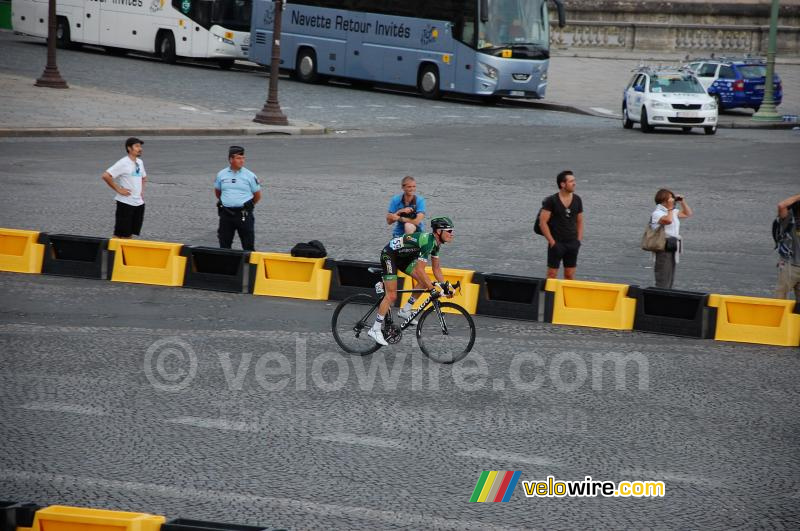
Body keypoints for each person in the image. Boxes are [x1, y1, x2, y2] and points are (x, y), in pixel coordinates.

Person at [369, 217, 456, 346]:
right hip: (390, 255)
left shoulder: (436, 244)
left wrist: (445, 286)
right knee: (392, 295)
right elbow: (420, 270)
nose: (451, 233)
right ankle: (375, 329)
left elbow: (436, 269)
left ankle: (406, 310)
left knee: (423, 281)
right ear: (438, 232)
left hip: (404, 258)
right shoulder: (428, 242)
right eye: (449, 231)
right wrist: (432, 289)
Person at [214, 146, 262, 251]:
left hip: (243, 214)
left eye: (243, 158)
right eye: (238, 158)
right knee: (224, 244)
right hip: (226, 214)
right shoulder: (221, 174)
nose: (242, 161)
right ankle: (227, 266)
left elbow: (257, 196)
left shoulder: (250, 175)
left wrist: (247, 205)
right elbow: (218, 192)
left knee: (248, 245)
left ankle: (249, 266)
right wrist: (229, 201)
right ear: (231, 159)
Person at [539, 170, 584, 280]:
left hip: (572, 243)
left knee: (569, 275)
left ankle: (567, 297)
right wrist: (552, 242)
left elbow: (580, 221)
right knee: (552, 275)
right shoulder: (551, 201)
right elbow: (542, 223)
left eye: (574, 181)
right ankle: (550, 297)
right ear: (562, 184)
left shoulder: (577, 199)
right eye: (571, 181)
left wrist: (578, 241)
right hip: (557, 243)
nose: (574, 183)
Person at [102, 137, 147, 239]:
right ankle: (111, 254)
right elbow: (106, 176)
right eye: (137, 146)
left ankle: (125, 254)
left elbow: (144, 177)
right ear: (129, 148)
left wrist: (141, 192)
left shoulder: (140, 162)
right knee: (119, 234)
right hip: (125, 204)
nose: (140, 149)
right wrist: (118, 189)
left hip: (138, 203)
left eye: (140, 146)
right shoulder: (123, 163)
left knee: (129, 234)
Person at [650, 189, 693, 289]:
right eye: (670, 198)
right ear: (663, 200)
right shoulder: (657, 213)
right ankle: (659, 298)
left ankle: (666, 297)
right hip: (663, 247)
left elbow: (688, 213)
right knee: (663, 278)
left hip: (672, 246)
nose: (672, 200)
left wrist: (682, 202)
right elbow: (668, 221)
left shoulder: (672, 211)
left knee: (670, 277)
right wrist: (670, 209)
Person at [775, 194, 800, 300]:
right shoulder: (788, 221)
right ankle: (776, 316)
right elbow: (781, 205)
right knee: (780, 299)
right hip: (790, 266)